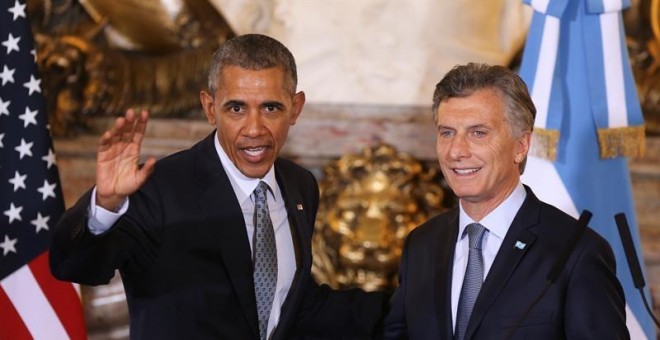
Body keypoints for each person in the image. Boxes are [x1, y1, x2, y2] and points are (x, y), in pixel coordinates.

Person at [50, 33, 387, 340]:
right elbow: (76, 267)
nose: (254, 128)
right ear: (210, 109)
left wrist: (416, 305)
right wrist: (104, 205)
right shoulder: (158, 188)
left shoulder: (300, 186)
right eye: (236, 108)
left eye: (271, 107)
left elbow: (290, 303)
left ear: (295, 108)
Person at [383, 63, 628, 339]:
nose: (456, 151)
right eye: (447, 133)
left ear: (521, 146)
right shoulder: (422, 244)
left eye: (478, 133)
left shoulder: (576, 253)